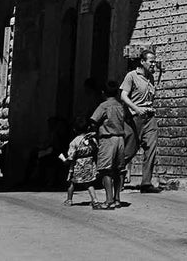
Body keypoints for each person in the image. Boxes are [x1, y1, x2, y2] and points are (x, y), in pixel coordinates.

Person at [120, 49, 163, 192]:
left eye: (154, 62)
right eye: (151, 61)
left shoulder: (151, 77)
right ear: (142, 61)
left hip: (149, 118)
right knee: (129, 151)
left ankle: (146, 183)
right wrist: (136, 109)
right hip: (134, 118)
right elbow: (124, 96)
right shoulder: (131, 76)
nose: (153, 64)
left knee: (151, 148)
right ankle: (117, 177)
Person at [91, 80, 126, 210]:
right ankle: (117, 199)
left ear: (103, 93)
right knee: (118, 170)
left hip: (107, 139)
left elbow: (94, 120)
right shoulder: (120, 105)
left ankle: (109, 200)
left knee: (106, 170)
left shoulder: (103, 106)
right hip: (120, 139)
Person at [61, 118, 99, 207]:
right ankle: (95, 200)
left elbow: (71, 156)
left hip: (77, 165)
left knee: (71, 182)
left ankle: (69, 200)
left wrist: (65, 161)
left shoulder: (74, 142)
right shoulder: (92, 140)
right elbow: (96, 149)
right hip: (89, 164)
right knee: (89, 183)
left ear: (74, 129)